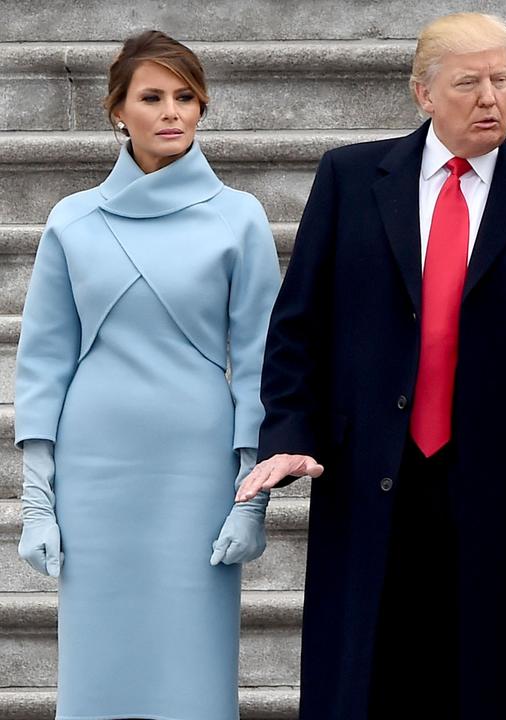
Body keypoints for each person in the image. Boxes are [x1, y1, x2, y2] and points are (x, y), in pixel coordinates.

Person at [234, 12, 506, 719]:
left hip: (501, 491)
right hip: (369, 474)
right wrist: (289, 435)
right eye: (469, 83)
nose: (490, 97)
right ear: (423, 93)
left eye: (503, 80)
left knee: (486, 684)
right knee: (363, 684)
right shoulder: (350, 177)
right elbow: (298, 326)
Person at [14, 30, 280, 720]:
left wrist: (253, 496)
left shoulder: (239, 216)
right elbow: (43, 360)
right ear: (117, 111)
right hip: (95, 470)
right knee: (98, 676)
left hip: (195, 468)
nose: (172, 112)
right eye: (153, 96)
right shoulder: (72, 220)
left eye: (186, 97)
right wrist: (37, 497)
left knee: (192, 677)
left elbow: (259, 362)